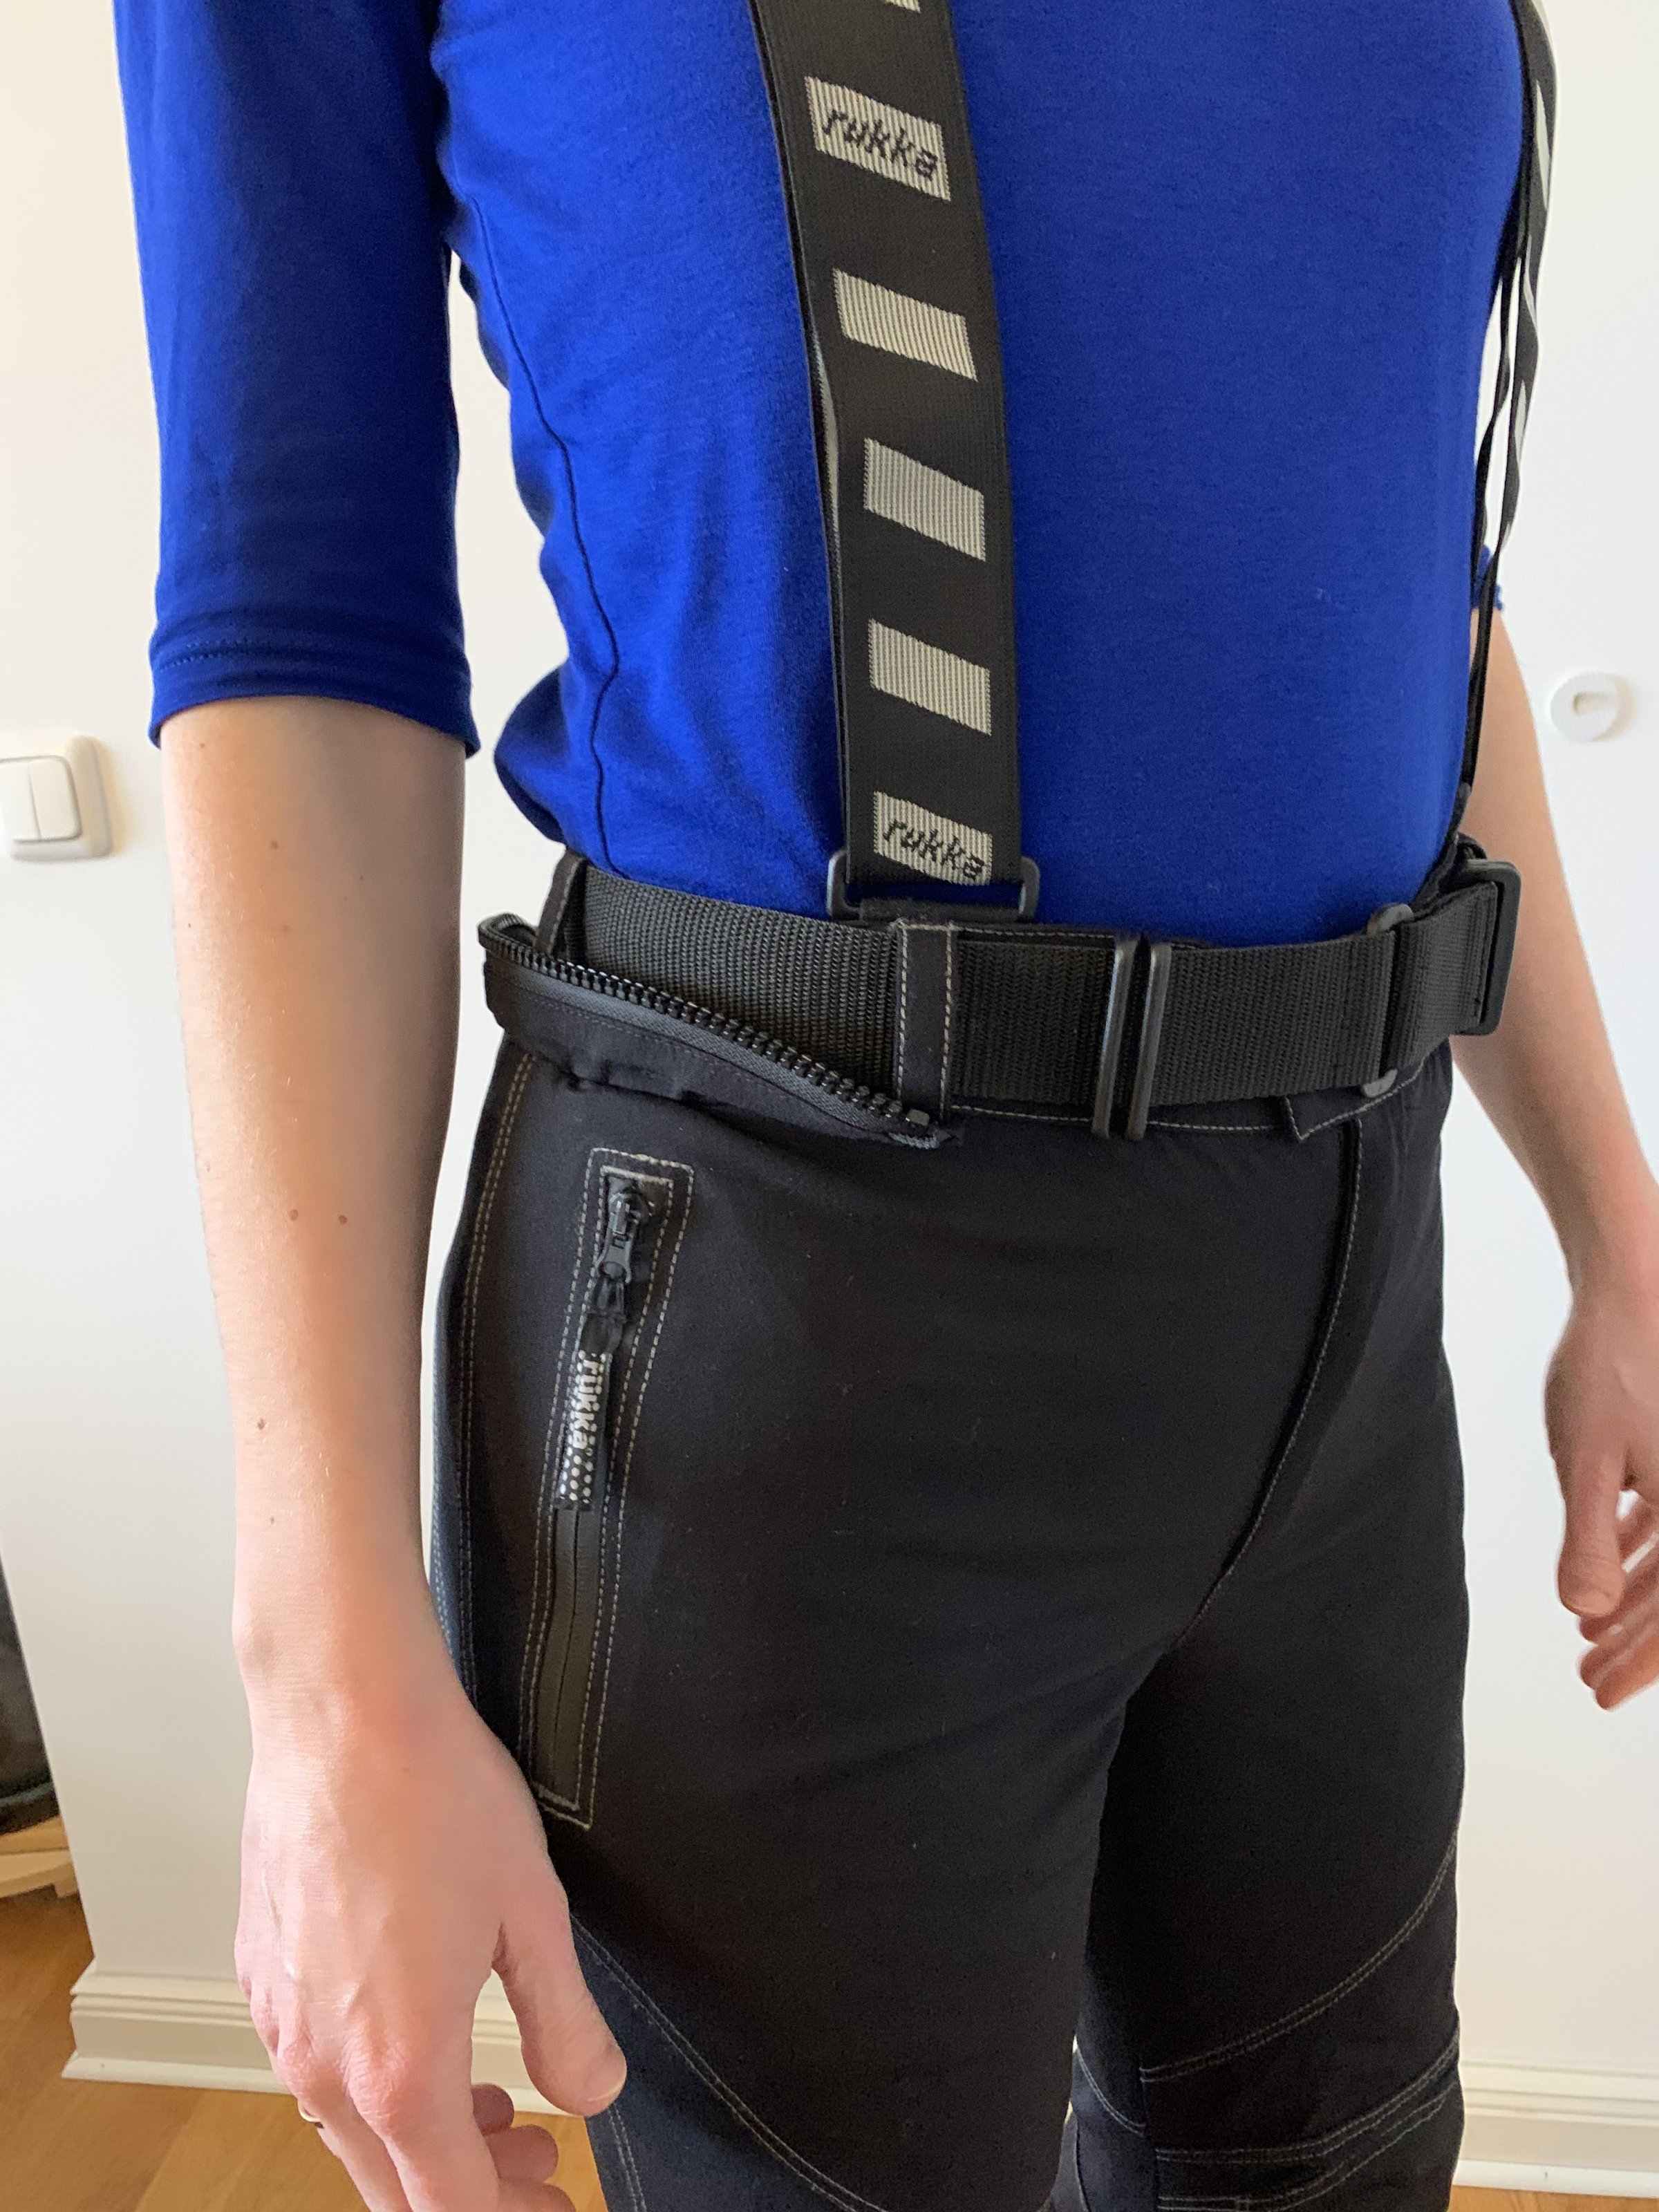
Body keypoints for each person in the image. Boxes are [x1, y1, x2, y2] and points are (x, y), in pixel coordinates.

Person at [113, 3, 1658, 2210]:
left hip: (1340, 1270)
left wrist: (1619, 1232)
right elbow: (297, 621)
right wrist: (323, 1661)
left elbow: (1417, 589)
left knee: (1337, 2163)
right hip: (800, 1321)